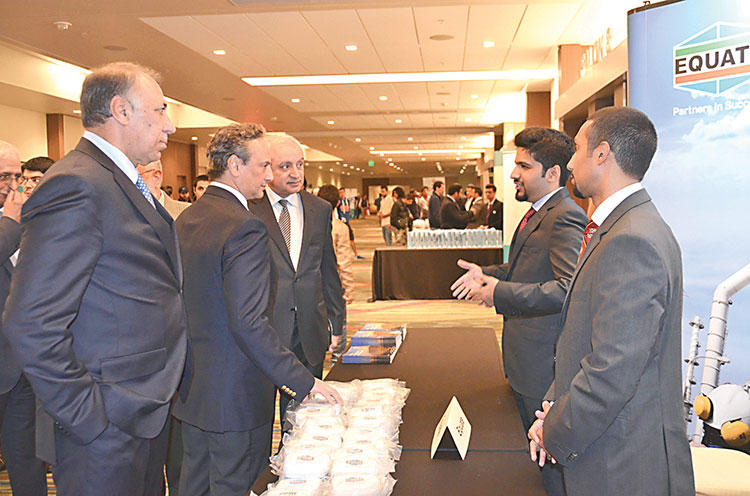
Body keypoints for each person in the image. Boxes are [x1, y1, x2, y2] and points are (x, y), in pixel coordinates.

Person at [2, 62, 187, 496]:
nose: (170, 125)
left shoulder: (115, 178)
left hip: (140, 412)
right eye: (160, 110)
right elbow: (30, 321)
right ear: (121, 111)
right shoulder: (77, 184)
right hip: (106, 428)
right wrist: (89, 417)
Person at [527, 107, 694, 495]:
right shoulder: (625, 227)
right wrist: (553, 408)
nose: (570, 163)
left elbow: (611, 369)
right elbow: (583, 342)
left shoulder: (630, 240)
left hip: (622, 464)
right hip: (612, 450)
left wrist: (555, 431)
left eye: (577, 148)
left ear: (602, 153)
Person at [173, 124, 341, 496]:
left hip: (193, 391)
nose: (268, 175)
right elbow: (249, 322)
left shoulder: (188, 218)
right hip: (237, 396)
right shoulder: (244, 226)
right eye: (263, 165)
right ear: (235, 165)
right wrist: (304, 381)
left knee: (195, 485)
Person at [451, 127, 587, 496]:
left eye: (524, 167)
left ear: (553, 173)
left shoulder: (564, 216)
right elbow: (525, 270)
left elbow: (567, 289)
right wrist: (488, 274)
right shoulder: (538, 213)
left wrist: (499, 292)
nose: (513, 174)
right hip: (525, 360)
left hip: (542, 366)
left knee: (548, 467)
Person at [247, 133, 345, 424]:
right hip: (265, 330)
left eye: (300, 165)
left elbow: (327, 270)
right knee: (260, 417)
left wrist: (336, 322)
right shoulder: (249, 208)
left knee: (304, 419)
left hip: (309, 329)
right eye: (285, 166)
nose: (295, 173)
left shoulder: (320, 209)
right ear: (267, 169)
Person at [0, 141, 47, 496]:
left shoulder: (23, 217)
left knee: (28, 464)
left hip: (23, 367)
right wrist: (9, 224)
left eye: (16, 176)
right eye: (5, 176)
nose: (13, 185)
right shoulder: (12, 221)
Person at [318, 185, 355, 304]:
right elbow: (344, 262)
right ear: (338, 203)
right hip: (331, 285)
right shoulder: (340, 228)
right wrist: (348, 290)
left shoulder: (304, 226)